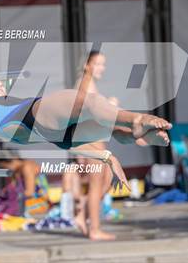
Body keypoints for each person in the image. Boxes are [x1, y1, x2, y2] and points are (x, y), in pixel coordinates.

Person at [0, 5, 172, 193]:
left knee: (113, 132)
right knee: (86, 102)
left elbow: (59, 140)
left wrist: (108, 158)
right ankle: (136, 119)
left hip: (50, 132)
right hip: (38, 116)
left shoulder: (5, 105)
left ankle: (135, 133)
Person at [62, 51, 118, 240]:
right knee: (96, 185)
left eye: (103, 64)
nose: (102, 68)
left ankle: (82, 215)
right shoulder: (84, 84)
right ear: (87, 65)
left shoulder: (88, 84)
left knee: (108, 177)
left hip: (93, 140)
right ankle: (94, 229)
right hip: (90, 141)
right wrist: (109, 105)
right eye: (98, 64)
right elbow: (86, 115)